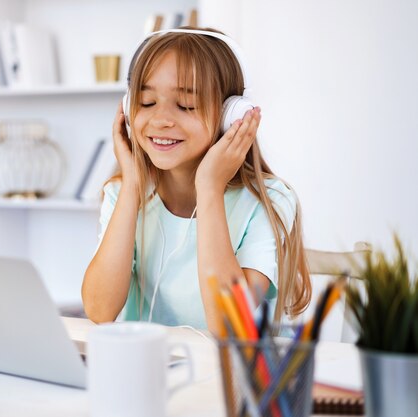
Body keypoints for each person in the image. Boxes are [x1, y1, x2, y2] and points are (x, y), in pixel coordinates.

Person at [81, 27, 311, 332]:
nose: (161, 119)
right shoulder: (125, 193)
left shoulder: (269, 201)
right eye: (147, 102)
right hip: (157, 371)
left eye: (186, 106)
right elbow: (99, 310)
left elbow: (227, 325)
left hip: (235, 374)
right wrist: (132, 187)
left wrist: (210, 188)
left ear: (232, 115)